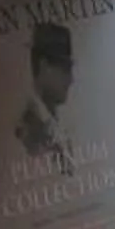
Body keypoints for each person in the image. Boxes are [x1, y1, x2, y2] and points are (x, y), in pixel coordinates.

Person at [15, 19, 75, 168]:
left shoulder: (52, 121)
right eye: (65, 69)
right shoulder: (29, 123)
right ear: (44, 66)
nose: (71, 79)